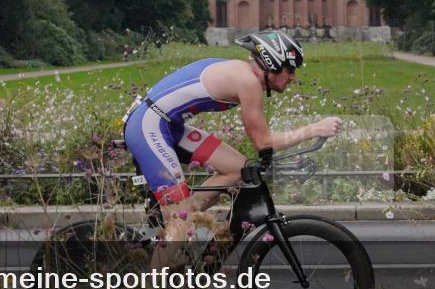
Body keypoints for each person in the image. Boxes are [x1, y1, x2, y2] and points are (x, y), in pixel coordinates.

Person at [122, 31, 342, 242]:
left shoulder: (243, 73)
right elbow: (263, 143)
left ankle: (184, 214)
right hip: (149, 127)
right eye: (290, 69)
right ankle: (153, 278)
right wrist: (313, 129)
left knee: (239, 169)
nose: (293, 77)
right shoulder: (248, 82)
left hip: (168, 125)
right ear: (273, 64)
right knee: (180, 225)